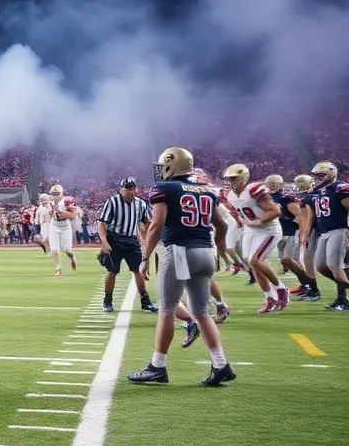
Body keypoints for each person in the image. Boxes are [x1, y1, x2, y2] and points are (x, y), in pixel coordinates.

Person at [127, 146, 235, 387]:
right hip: (205, 250)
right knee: (201, 312)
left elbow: (155, 226)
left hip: (179, 251)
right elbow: (222, 225)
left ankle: (158, 366)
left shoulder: (165, 188)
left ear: (170, 164)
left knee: (166, 309)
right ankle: (221, 365)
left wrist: (145, 258)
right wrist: (218, 250)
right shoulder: (207, 190)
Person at [220, 164, 287, 314]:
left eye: (234, 179)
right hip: (251, 230)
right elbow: (239, 211)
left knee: (255, 260)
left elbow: (275, 211)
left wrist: (258, 221)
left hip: (268, 229)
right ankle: (270, 298)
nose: (231, 183)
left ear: (244, 178)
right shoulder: (230, 195)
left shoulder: (253, 189)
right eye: (229, 179)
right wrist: (240, 221)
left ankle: (281, 289)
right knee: (252, 263)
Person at [96, 178, 159, 313]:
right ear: (121, 189)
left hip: (132, 240)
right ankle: (107, 300)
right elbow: (101, 222)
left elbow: (147, 222)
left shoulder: (140, 203)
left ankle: (145, 301)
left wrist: (146, 240)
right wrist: (104, 241)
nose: (130, 191)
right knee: (112, 271)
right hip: (115, 240)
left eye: (132, 189)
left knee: (139, 270)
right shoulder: (113, 202)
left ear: (135, 189)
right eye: (127, 189)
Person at [299, 160, 349, 311]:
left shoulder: (339, 188)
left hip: (339, 230)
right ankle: (343, 295)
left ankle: (342, 299)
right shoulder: (317, 191)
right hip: (324, 232)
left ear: (331, 174)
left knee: (335, 266)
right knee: (321, 266)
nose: (318, 178)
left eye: (321, 175)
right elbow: (311, 216)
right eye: (317, 176)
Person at [46, 185, 79, 275]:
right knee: (54, 249)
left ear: (61, 193)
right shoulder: (49, 202)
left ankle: (72, 257)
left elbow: (72, 216)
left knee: (66, 249)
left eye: (57, 194)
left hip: (65, 226)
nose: (55, 196)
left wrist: (63, 213)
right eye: (53, 194)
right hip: (54, 225)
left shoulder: (66, 201)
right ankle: (58, 269)